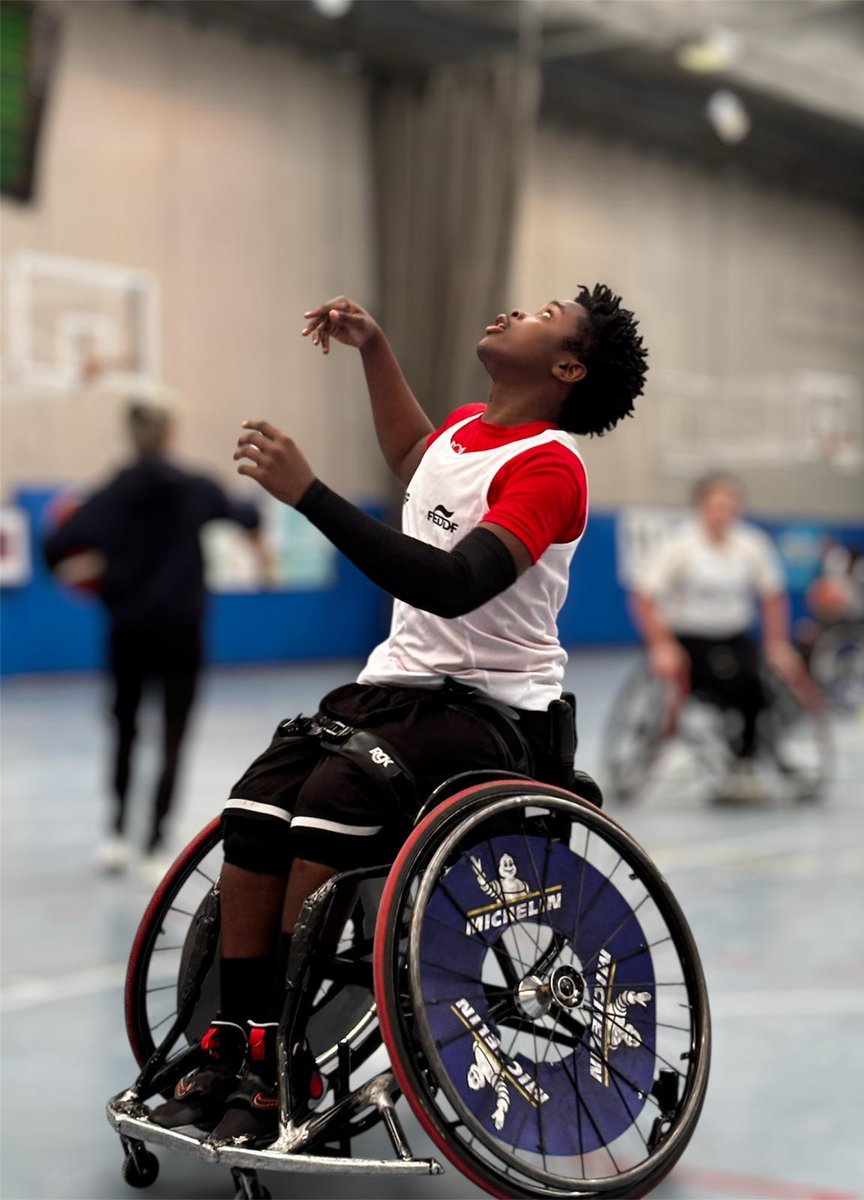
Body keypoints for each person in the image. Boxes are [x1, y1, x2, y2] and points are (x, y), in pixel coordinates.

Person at [149, 284, 648, 1145]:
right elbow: (418, 454)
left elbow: (451, 586)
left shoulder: (552, 467)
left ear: (567, 367)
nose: (513, 311)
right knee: (257, 803)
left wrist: (311, 495)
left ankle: (284, 1060)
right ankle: (237, 1038)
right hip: (392, 690)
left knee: (333, 803)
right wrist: (375, 349)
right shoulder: (464, 429)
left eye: (543, 315)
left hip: (492, 711)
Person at [44, 399, 267, 880]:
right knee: (173, 735)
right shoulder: (198, 489)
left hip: (127, 633)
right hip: (181, 633)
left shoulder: (108, 496)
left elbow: (55, 549)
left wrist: (95, 569)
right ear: (170, 433)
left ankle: (118, 834)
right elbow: (248, 517)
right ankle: (154, 842)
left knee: (124, 732)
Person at [631, 472, 808, 795]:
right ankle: (734, 757)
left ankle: (746, 758)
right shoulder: (680, 545)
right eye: (716, 506)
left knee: (764, 687)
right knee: (735, 684)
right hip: (690, 640)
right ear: (701, 507)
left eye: (729, 506)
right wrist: (661, 646)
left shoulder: (752, 544)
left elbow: (772, 596)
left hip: (736, 636)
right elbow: (644, 596)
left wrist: (777, 643)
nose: (722, 513)